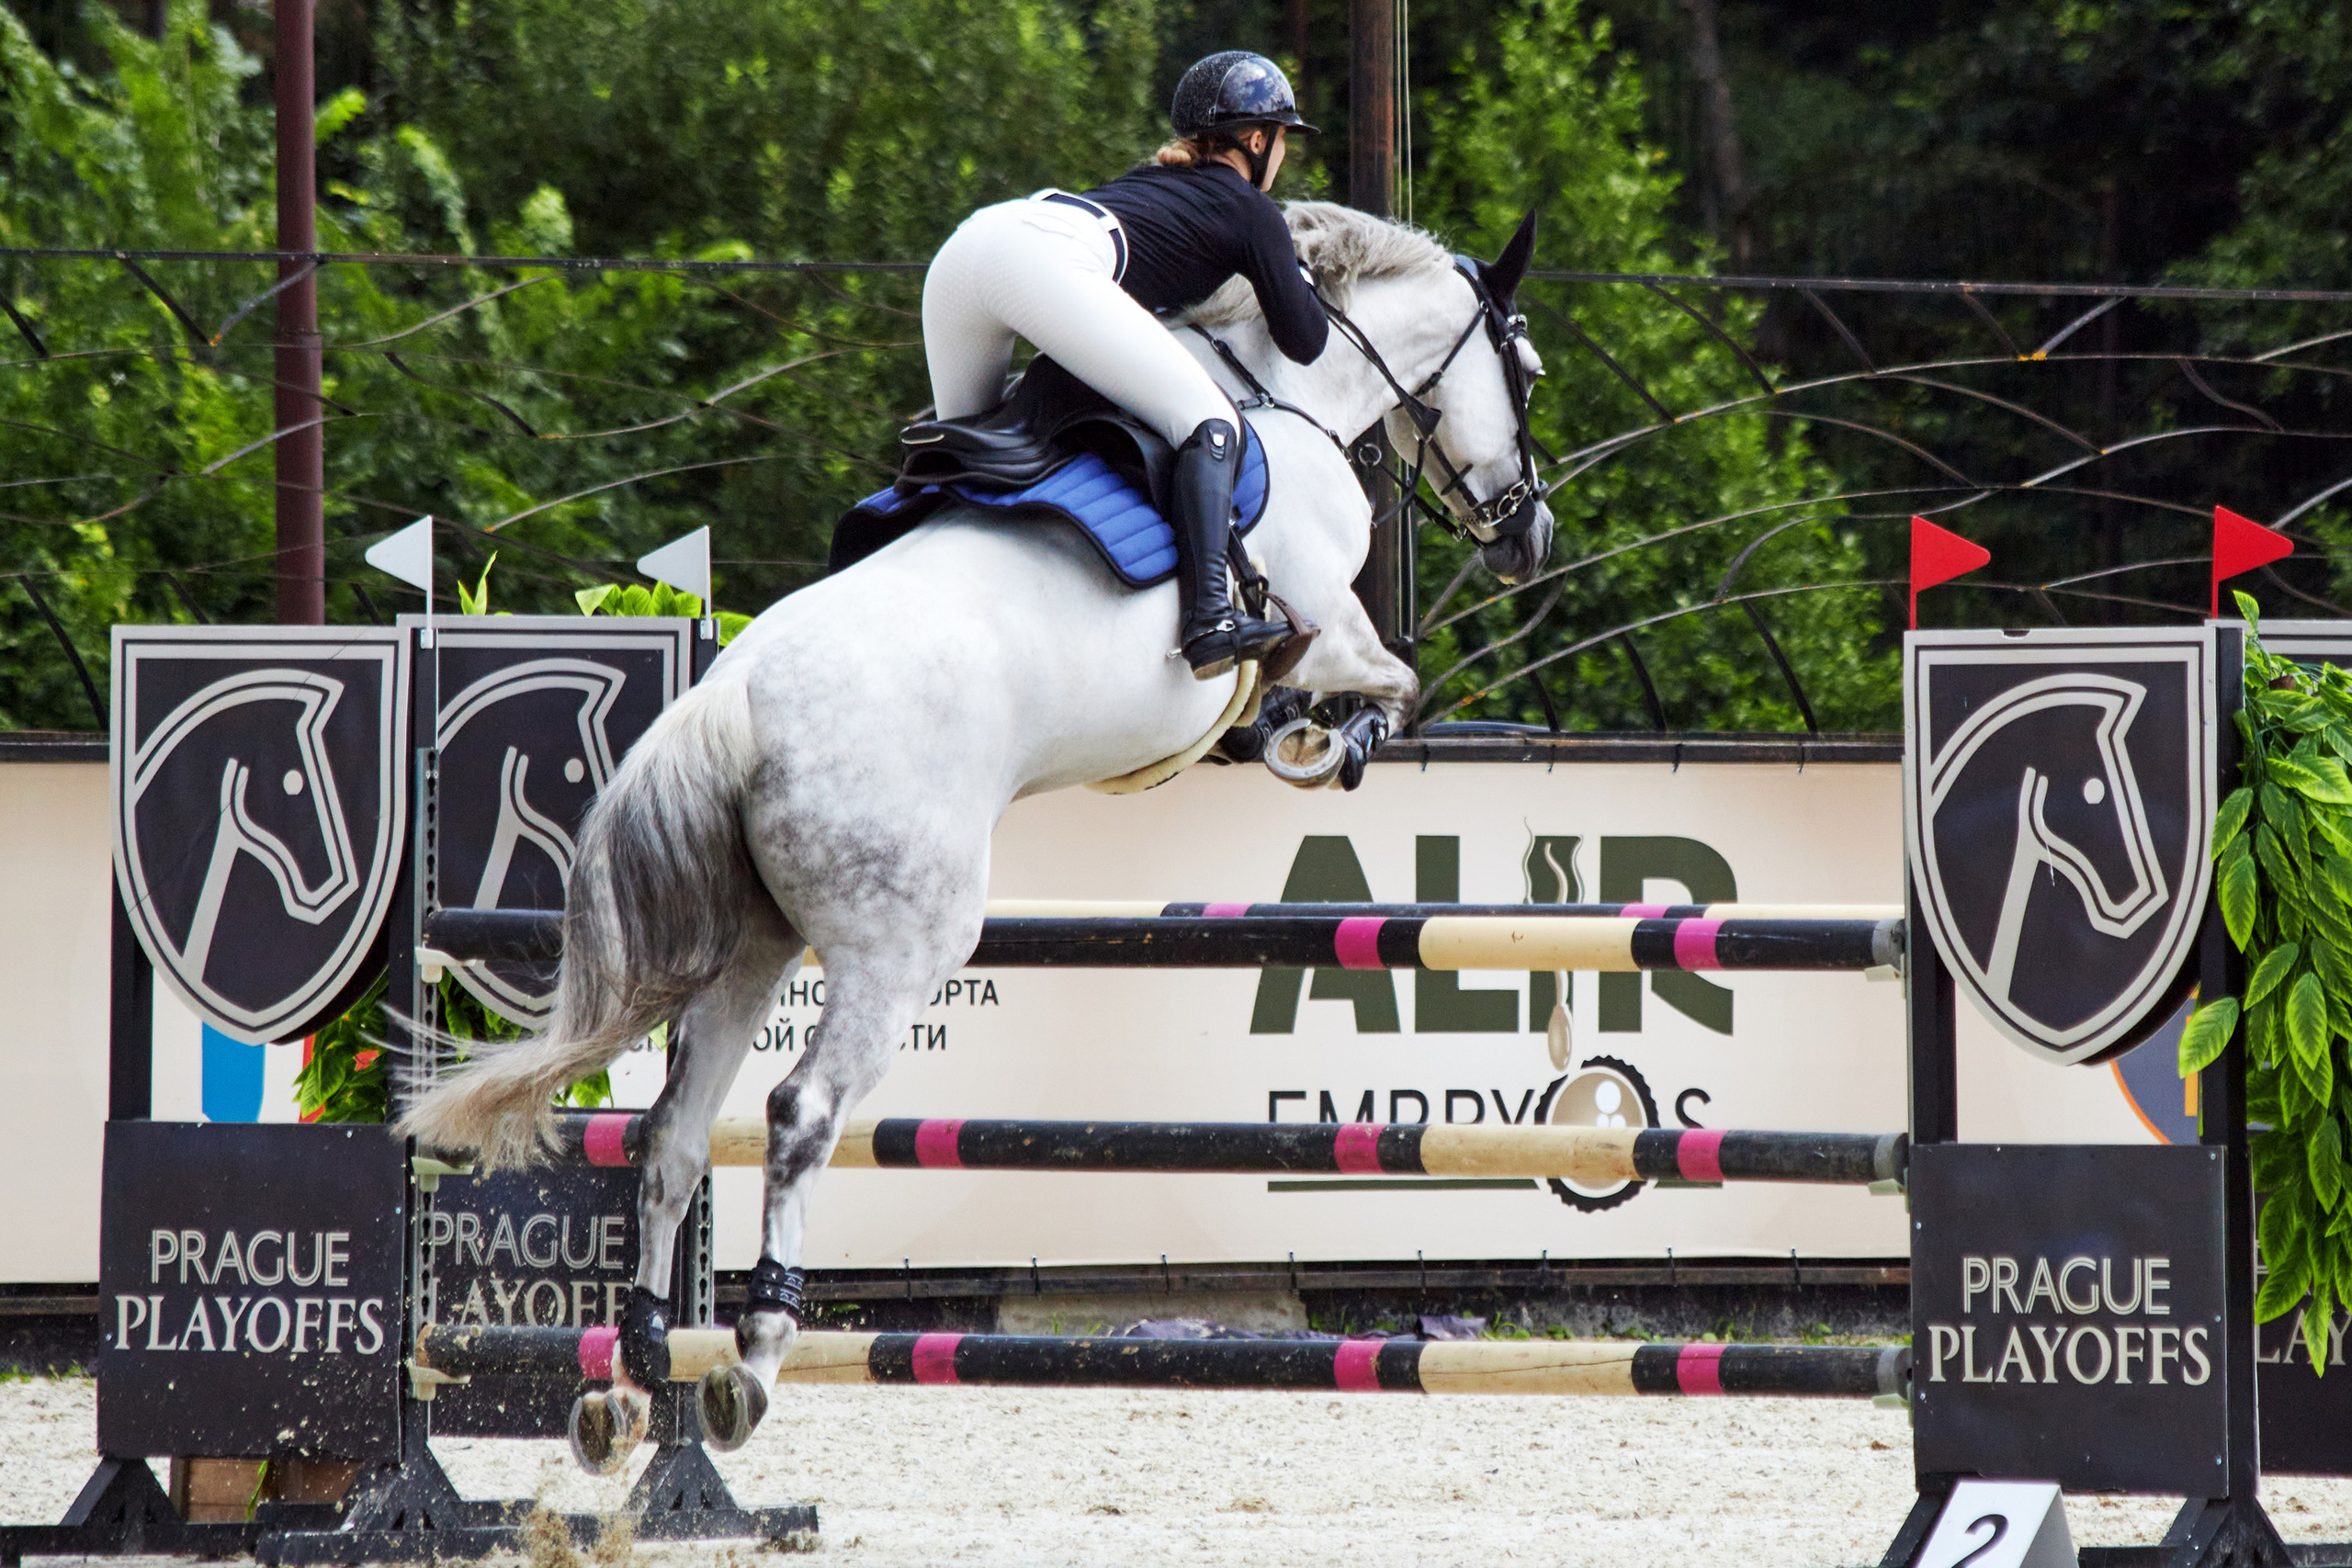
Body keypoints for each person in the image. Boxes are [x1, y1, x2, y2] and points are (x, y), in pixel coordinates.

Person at [920, 51, 1331, 679]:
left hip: (968, 249)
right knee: (1209, 424)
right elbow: (1306, 339)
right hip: (1039, 258)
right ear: (1255, 139)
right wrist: (1299, 273)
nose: (1282, 155)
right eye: (1282, 140)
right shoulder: (1253, 211)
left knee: (965, 461)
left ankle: (905, 556)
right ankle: (1210, 620)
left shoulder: (1157, 181)